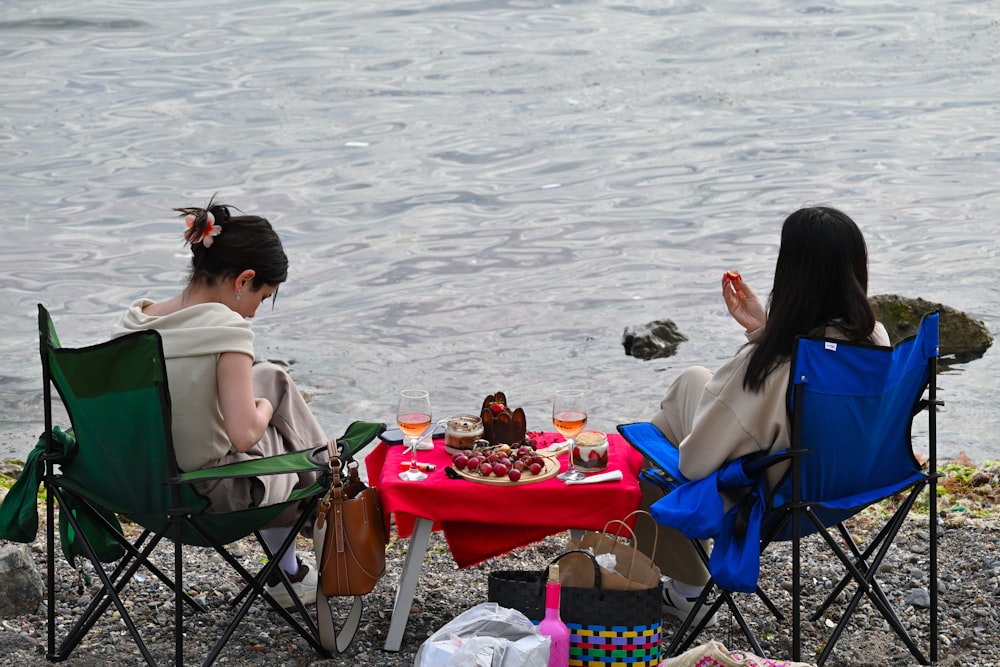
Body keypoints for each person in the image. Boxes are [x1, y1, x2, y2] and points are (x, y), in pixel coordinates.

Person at [634, 206, 890, 627]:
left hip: (775, 498)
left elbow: (693, 464)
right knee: (693, 380)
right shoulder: (873, 339)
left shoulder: (769, 367)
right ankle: (685, 585)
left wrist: (764, 348)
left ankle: (688, 590)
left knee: (654, 459)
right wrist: (765, 329)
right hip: (847, 484)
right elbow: (809, 379)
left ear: (790, 275)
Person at [113, 196, 327, 607]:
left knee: (273, 376)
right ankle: (319, 525)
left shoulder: (136, 321)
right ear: (243, 280)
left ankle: (308, 537)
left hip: (136, 485)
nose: (253, 314)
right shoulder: (227, 330)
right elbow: (245, 436)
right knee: (297, 456)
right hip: (205, 496)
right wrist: (264, 408)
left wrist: (265, 396)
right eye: (261, 299)